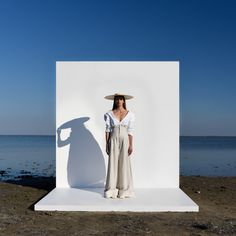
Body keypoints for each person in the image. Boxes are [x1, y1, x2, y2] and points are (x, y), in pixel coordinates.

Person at [103, 93, 136, 199]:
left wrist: (131, 145)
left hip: (125, 139)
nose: (118, 101)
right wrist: (107, 143)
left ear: (124, 101)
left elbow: (130, 131)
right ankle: (111, 190)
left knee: (124, 163)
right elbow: (108, 130)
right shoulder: (109, 113)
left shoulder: (130, 114)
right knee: (113, 163)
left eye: (120, 99)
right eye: (117, 99)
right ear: (114, 101)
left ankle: (124, 190)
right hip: (113, 138)